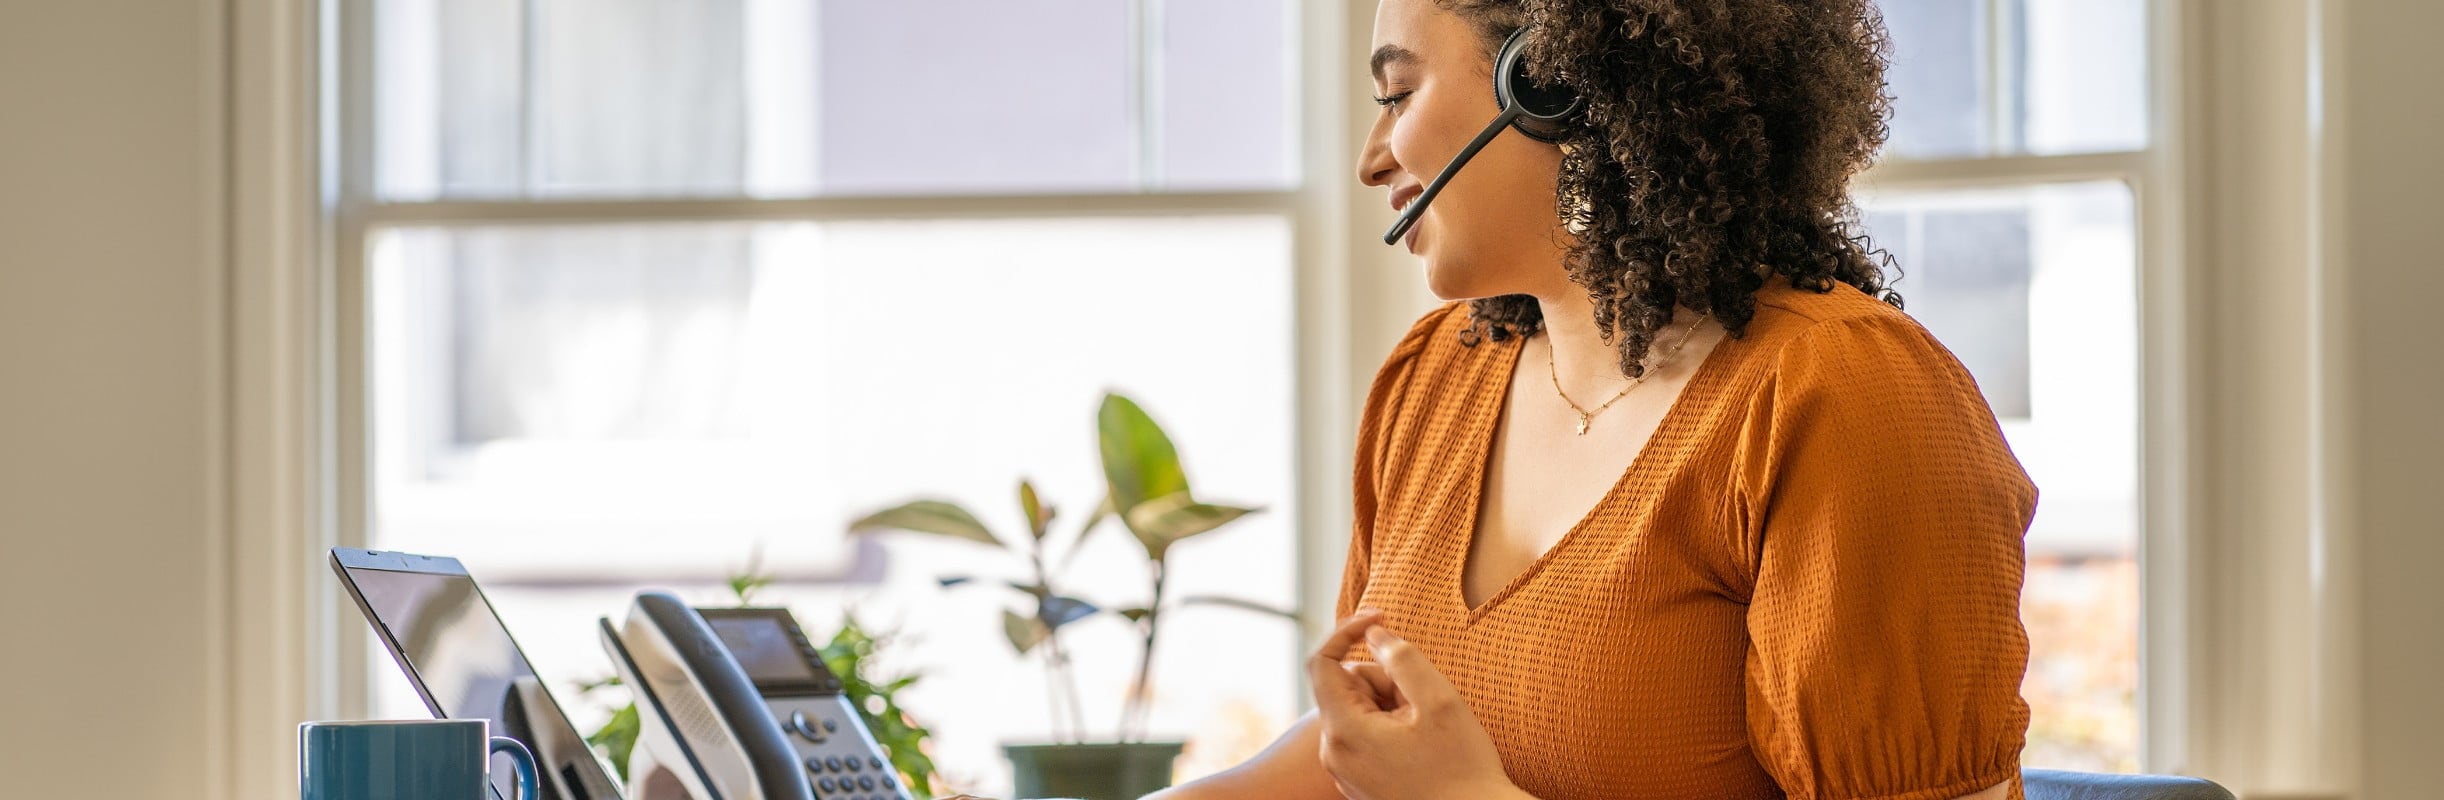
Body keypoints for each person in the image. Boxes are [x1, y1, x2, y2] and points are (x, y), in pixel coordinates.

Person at [1147, 0, 2036, 798]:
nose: (1371, 161)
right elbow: (1372, 748)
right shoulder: (1435, 376)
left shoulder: (1844, 395)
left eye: (1398, 96)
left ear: (1548, 82)